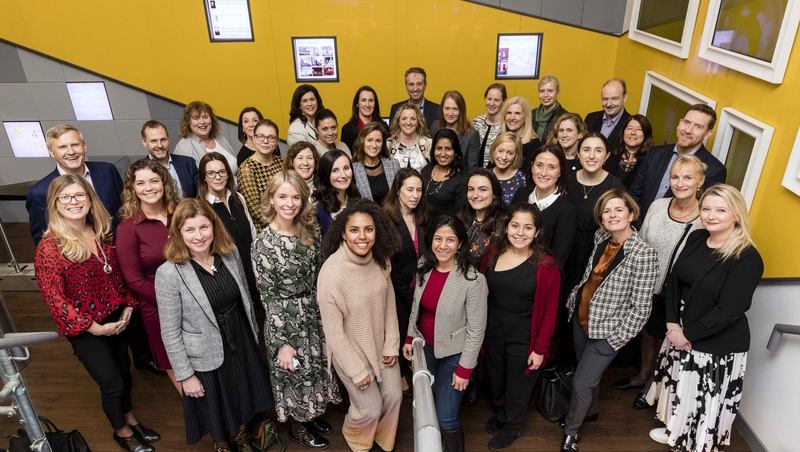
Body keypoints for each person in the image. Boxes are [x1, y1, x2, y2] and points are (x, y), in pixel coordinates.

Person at [34, 175, 159, 452]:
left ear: (90, 200)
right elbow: (55, 299)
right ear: (55, 204)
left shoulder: (101, 234)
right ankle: (122, 432)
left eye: (80, 195)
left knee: (124, 374)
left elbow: (117, 275)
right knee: (111, 383)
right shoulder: (50, 247)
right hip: (86, 329)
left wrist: (128, 305)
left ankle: (131, 420)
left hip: (115, 319)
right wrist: (93, 327)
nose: (74, 202)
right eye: (65, 197)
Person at [646, 184, 763, 452]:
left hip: (714, 343)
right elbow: (674, 280)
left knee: (702, 400)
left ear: (736, 215)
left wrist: (686, 334)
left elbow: (728, 311)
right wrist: (672, 323)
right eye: (706, 208)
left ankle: (695, 443)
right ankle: (676, 430)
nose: (711, 215)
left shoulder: (746, 257)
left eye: (721, 210)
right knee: (681, 388)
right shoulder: (698, 237)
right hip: (680, 330)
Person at [155, 198, 272, 451]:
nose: (199, 236)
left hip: (239, 338)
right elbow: (170, 332)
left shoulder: (229, 253)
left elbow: (244, 298)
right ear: (178, 233)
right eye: (190, 230)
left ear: (213, 226)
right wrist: (185, 375)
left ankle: (241, 437)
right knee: (216, 403)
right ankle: (221, 444)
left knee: (242, 393)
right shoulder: (168, 273)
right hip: (204, 351)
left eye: (204, 227)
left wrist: (253, 337)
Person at [560, 190, 658, 452]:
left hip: (607, 332)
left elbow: (641, 308)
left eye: (618, 210)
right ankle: (590, 411)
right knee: (587, 376)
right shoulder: (601, 237)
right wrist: (575, 294)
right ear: (601, 218)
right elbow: (591, 275)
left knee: (581, 382)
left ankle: (571, 431)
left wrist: (616, 339)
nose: (612, 215)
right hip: (581, 319)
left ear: (631, 214)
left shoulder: (644, 254)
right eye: (606, 211)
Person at [253, 171, 341, 449]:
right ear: (272, 199)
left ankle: (311, 416)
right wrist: (282, 343)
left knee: (313, 370)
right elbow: (269, 297)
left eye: (295, 197)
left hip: (313, 313)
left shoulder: (309, 230)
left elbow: (321, 272)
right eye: (282, 197)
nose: (289, 203)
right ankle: (297, 428)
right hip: (285, 320)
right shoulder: (263, 243)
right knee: (294, 374)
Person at [612, 155, 705, 410]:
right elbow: (640, 242)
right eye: (675, 177)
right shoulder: (657, 206)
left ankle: (655, 386)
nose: (680, 183)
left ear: (700, 181)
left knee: (667, 340)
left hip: (679, 293)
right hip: (647, 286)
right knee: (647, 334)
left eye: (687, 177)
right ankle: (643, 375)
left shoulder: (704, 217)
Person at [317, 198, 403, 452]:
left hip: (380, 343)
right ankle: (355, 435)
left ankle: (382, 438)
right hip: (350, 353)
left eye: (369, 229)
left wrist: (391, 344)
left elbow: (389, 303)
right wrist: (356, 371)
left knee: (394, 397)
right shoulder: (331, 274)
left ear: (377, 231)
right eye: (354, 230)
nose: (362, 237)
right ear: (343, 234)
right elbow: (334, 335)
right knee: (371, 408)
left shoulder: (381, 259)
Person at [403, 214, 488, 452]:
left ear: (460, 243)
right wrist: (410, 337)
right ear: (430, 240)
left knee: (446, 417)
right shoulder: (424, 265)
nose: (443, 245)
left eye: (450, 240)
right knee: (428, 404)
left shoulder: (473, 280)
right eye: (438, 238)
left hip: (455, 354)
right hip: (426, 348)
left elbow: (476, 329)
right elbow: (416, 305)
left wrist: (465, 369)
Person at [480, 203, 561, 450]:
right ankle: (503, 414)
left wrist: (540, 348)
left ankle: (514, 426)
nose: (520, 232)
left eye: (528, 227)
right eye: (515, 225)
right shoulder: (493, 252)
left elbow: (550, 311)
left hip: (524, 332)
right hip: (494, 328)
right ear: (506, 227)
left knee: (518, 384)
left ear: (537, 232)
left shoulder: (546, 265)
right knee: (496, 378)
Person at [116, 159, 182, 393]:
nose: (149, 188)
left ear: (164, 183)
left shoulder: (181, 214)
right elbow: (134, 280)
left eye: (154, 180)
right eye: (141, 183)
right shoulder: (128, 228)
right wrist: (174, 300)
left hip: (197, 298)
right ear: (133, 188)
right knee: (177, 365)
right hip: (159, 308)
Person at [26, 124, 124, 248]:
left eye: (75, 145)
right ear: (51, 152)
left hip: (119, 249)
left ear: (84, 146)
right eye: (62, 147)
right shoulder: (40, 193)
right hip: (78, 256)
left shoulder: (107, 171)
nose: (71, 152)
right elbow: (42, 242)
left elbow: (125, 210)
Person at [629, 104, 727, 223]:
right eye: (686, 122)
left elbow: (704, 212)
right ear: (679, 123)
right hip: (636, 224)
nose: (688, 130)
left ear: (707, 134)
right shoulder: (655, 153)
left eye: (698, 127)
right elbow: (634, 193)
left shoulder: (714, 170)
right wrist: (638, 225)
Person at [383, 168, 429, 399]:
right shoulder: (387, 221)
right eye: (410, 189)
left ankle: (415, 364)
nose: (415, 195)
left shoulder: (424, 217)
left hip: (422, 285)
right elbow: (388, 265)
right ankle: (400, 374)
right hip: (398, 290)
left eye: (419, 190)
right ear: (398, 190)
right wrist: (410, 295)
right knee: (401, 331)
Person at [565, 133, 625, 291]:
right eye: (586, 150)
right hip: (567, 254)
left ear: (607, 156)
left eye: (598, 150)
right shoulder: (567, 181)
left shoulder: (615, 187)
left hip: (598, 256)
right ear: (578, 154)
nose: (591, 156)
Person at [199, 152, 258, 307]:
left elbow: (253, 234)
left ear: (228, 174)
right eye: (211, 173)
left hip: (251, 271)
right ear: (204, 177)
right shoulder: (202, 208)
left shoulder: (239, 198)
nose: (217, 177)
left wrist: (258, 271)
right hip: (228, 278)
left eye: (222, 171)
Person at [511, 144, 577, 269]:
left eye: (551, 167)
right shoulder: (521, 194)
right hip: (509, 264)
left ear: (560, 172)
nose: (544, 173)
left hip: (539, 274)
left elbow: (557, 260)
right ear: (532, 167)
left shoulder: (567, 210)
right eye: (539, 165)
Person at [237, 119, 285, 232]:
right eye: (260, 136)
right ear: (254, 138)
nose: (265, 141)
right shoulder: (247, 169)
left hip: (288, 219)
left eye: (271, 137)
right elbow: (255, 209)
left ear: (277, 141)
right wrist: (281, 223)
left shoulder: (282, 162)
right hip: (267, 228)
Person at [173, 101, 238, 175]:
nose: (202, 122)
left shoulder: (220, 138)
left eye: (205, 117)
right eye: (196, 118)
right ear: (188, 122)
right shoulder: (183, 148)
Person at [141, 120, 198, 199]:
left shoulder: (188, 163)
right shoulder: (138, 172)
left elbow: (200, 196)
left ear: (168, 138)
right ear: (144, 142)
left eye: (163, 140)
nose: (160, 145)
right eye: (154, 141)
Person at [460, 168, 507, 263]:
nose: (475, 195)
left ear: (494, 193)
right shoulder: (461, 218)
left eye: (482, 190)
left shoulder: (503, 227)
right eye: (471, 189)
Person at [429, 90, 481, 172]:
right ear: (442, 109)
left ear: (461, 111)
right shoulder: (435, 126)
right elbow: (432, 159)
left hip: (460, 178)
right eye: (447, 108)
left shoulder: (471, 135)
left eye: (455, 109)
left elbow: (472, 170)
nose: (450, 113)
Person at [313, 149, 360, 236]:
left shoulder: (358, 201)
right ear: (325, 174)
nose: (343, 175)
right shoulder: (317, 210)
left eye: (346, 168)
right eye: (335, 170)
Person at [421, 129, 467, 217]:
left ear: (455, 152)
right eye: (439, 148)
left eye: (448, 149)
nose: (442, 154)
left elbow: (459, 214)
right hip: (422, 223)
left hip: (445, 225)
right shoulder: (427, 169)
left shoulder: (461, 179)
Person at [352, 122, 400, 206]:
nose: (374, 145)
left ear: (383, 143)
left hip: (392, 213)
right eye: (369, 140)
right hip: (366, 213)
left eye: (378, 140)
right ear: (362, 141)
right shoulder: (354, 169)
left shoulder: (393, 164)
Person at [605, 114, 654, 189]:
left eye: (639, 129)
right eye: (629, 128)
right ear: (623, 132)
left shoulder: (650, 161)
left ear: (646, 134)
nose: (633, 132)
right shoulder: (609, 155)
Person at [584, 79, 631, 147]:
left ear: (625, 97)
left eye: (614, 99)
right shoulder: (591, 118)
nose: (609, 104)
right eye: (605, 99)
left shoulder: (630, 124)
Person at [387, 102, 432, 172]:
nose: (408, 123)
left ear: (418, 122)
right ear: (398, 122)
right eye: (404, 118)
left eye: (413, 119)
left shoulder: (429, 144)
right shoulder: (389, 144)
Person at [473, 83, 508, 168]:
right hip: (475, 172)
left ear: (504, 101)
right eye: (489, 99)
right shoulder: (477, 121)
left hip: (495, 172)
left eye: (496, 100)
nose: (491, 103)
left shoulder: (506, 126)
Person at [489, 132, 527, 205]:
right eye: (500, 151)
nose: (504, 157)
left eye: (510, 153)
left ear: (516, 155)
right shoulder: (485, 176)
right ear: (493, 151)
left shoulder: (523, 180)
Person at [499, 96, 541, 161]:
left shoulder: (533, 144)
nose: (512, 117)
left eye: (517, 113)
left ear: (526, 117)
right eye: (509, 113)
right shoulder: (500, 137)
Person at [342, 86, 383, 150]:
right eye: (363, 100)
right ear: (357, 104)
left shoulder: (383, 127)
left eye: (371, 100)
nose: (367, 104)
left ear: (375, 104)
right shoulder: (347, 130)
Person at [532, 75, 568, 141]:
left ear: (557, 93)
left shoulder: (565, 117)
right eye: (542, 91)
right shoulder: (531, 114)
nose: (545, 95)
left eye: (550, 91)